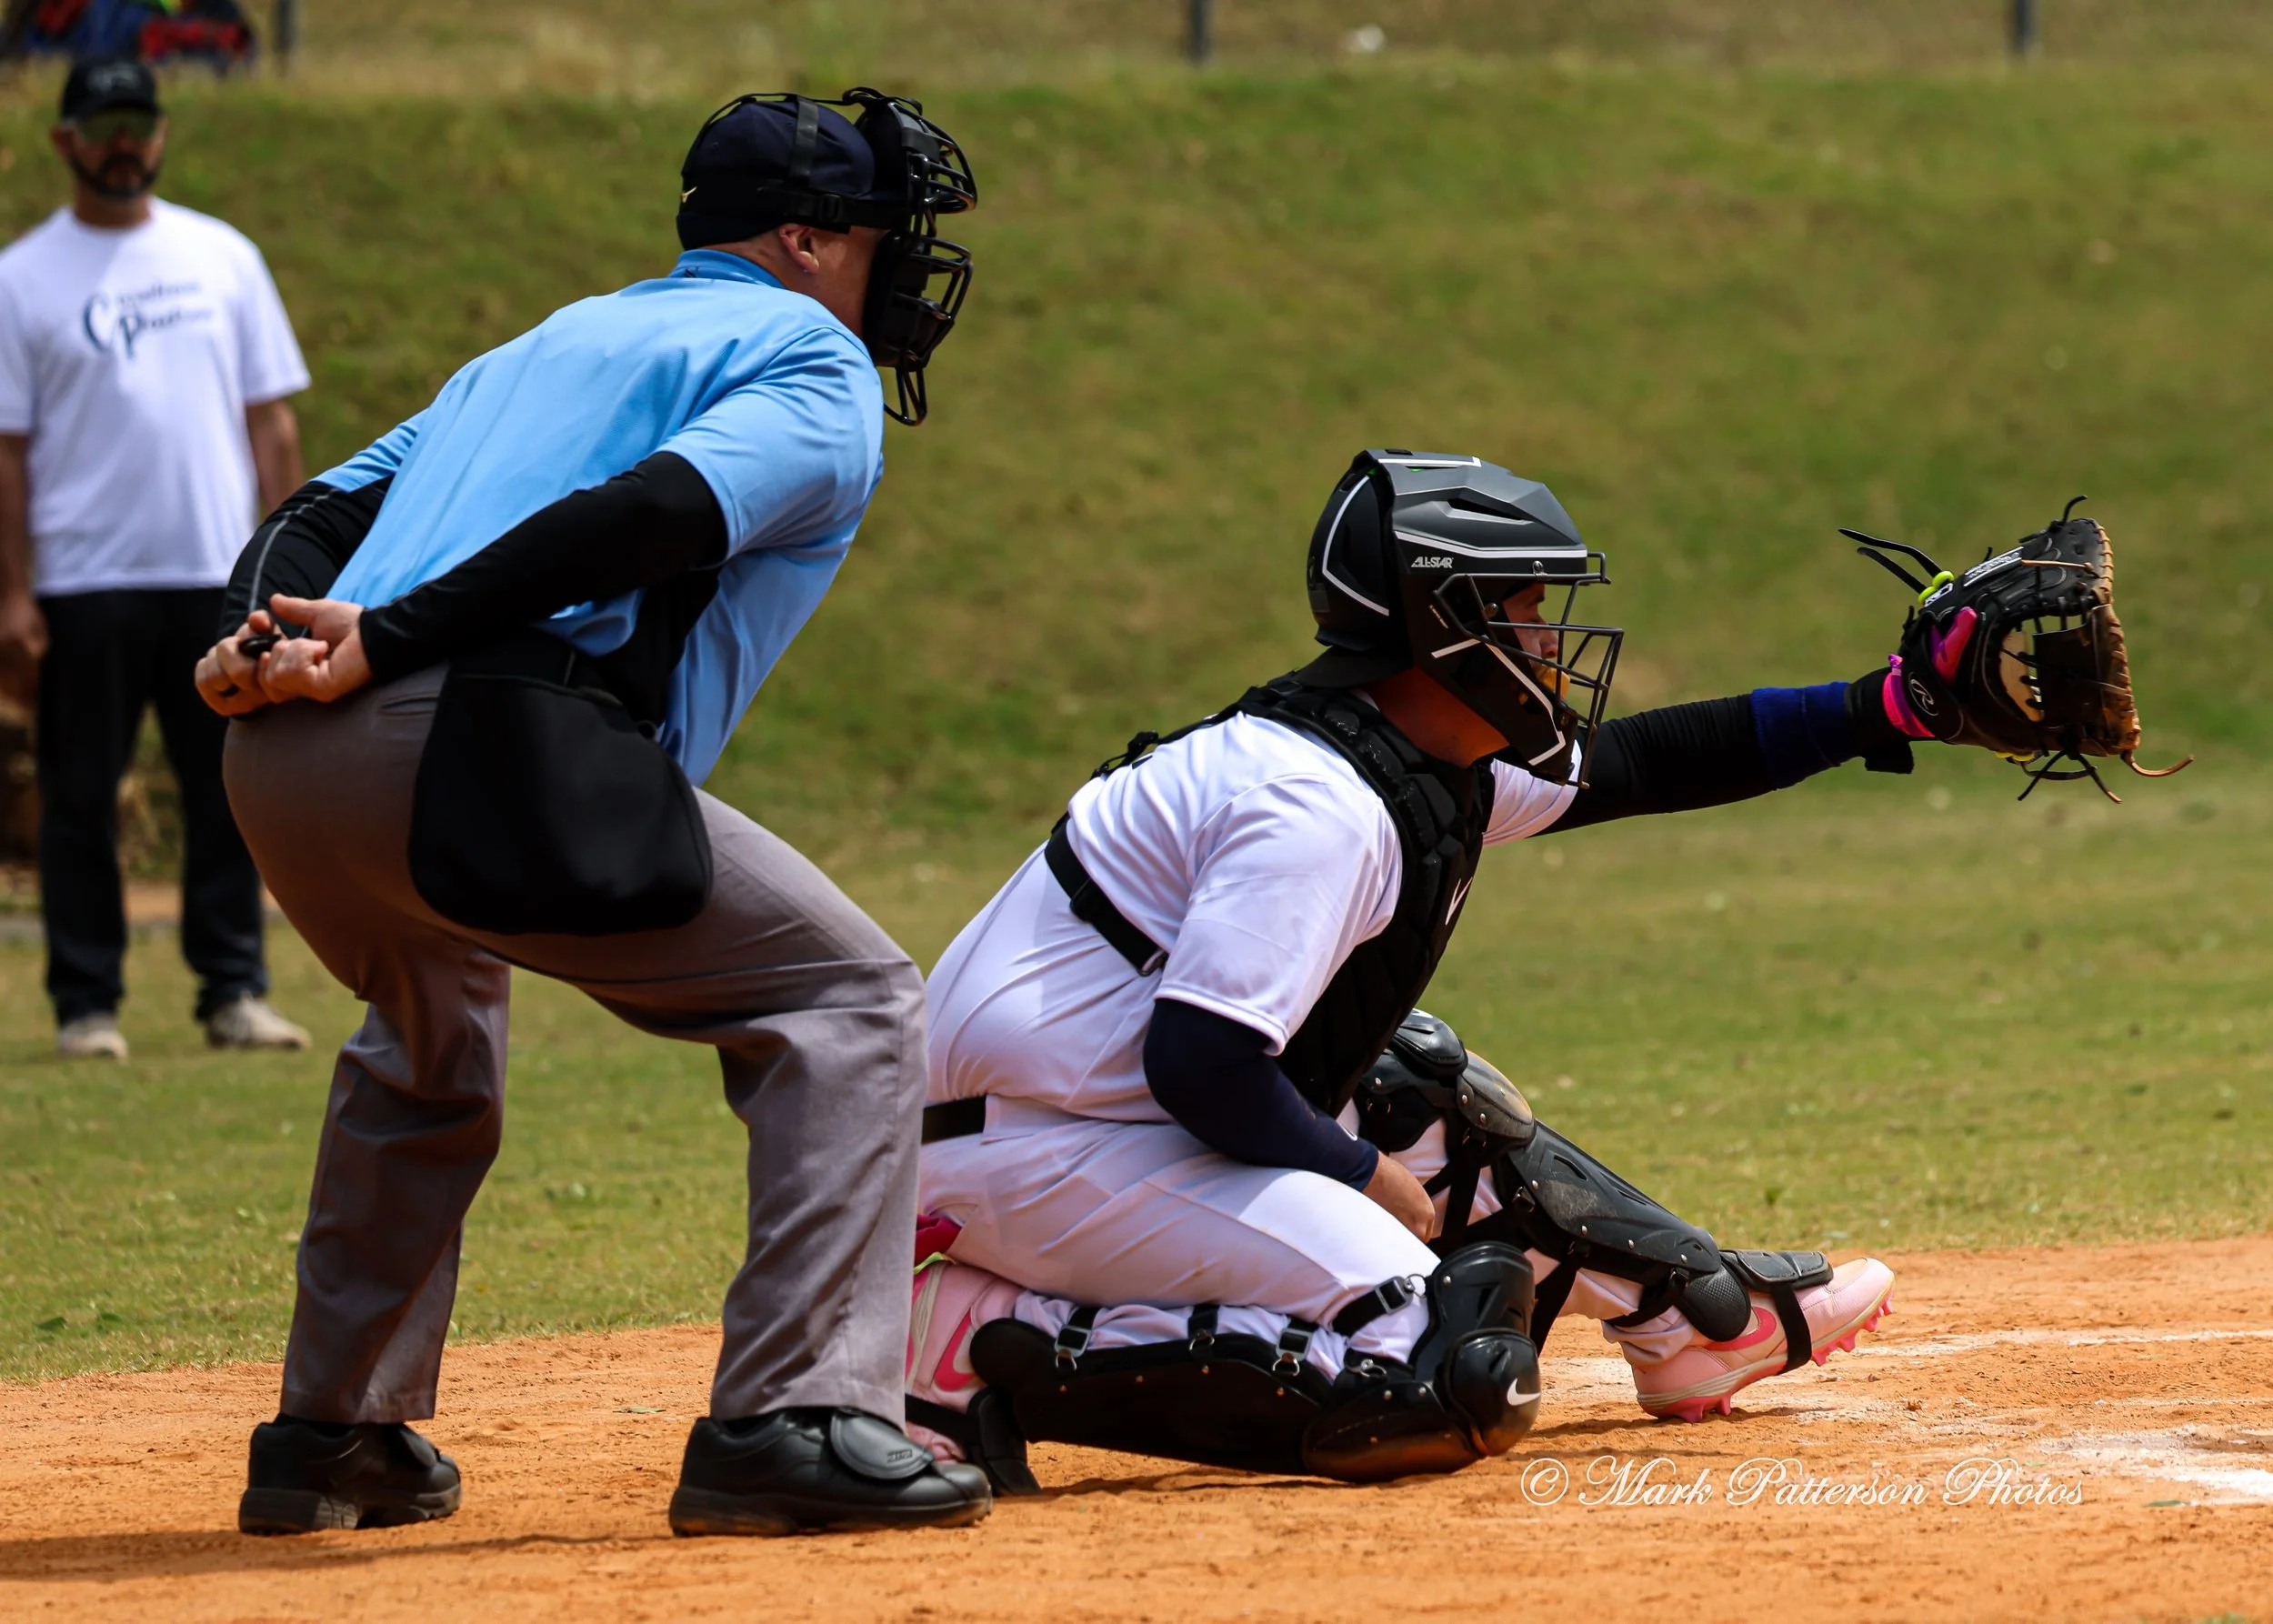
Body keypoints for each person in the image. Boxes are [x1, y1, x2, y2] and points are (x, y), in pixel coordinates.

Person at [193, 90, 991, 1538]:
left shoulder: (550, 341)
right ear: (805, 240)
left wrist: (255, 634)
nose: (897, 269)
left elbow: (318, 510)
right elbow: (650, 514)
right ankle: (795, 1416)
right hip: (473, 746)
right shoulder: (809, 354)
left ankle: (330, 1434)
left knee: (430, 1036)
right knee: (851, 1000)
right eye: (880, 235)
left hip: (286, 772)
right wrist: (394, 641)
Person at [896, 450, 1944, 1491]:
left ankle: (1691, 1316)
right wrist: (1364, 1175)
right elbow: (1203, 1064)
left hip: (1089, 1121)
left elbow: (1642, 762)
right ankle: (973, 1340)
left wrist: (1887, 709)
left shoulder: (1401, 754)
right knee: (1446, 1366)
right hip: (1035, 1157)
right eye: (1527, 610)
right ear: (1447, 626)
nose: (1550, 640)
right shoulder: (1313, 808)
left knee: (1419, 1089)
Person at [0, 56, 311, 1061]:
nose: (124, 144)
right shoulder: (20, 278)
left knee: (229, 787)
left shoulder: (223, 257)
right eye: (104, 129)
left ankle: (234, 988)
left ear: (162, 134)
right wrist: (13, 592)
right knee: (80, 795)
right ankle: (85, 1003)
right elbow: (7, 452)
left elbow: (270, 422)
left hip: (217, 574)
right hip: (83, 580)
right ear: (67, 141)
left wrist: (290, 560)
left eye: (139, 124)